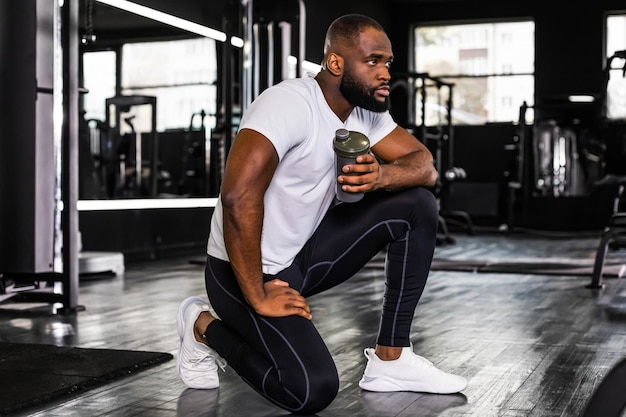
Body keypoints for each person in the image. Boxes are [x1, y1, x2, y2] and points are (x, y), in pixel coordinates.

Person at [176, 13, 467, 415]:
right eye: (373, 62)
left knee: (417, 204)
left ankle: (391, 358)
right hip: (240, 271)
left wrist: (381, 175)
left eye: (388, 63)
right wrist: (257, 293)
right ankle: (203, 328)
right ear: (335, 64)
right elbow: (238, 196)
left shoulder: (365, 112)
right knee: (310, 390)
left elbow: (425, 166)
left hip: (300, 257)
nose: (384, 73)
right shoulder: (288, 103)